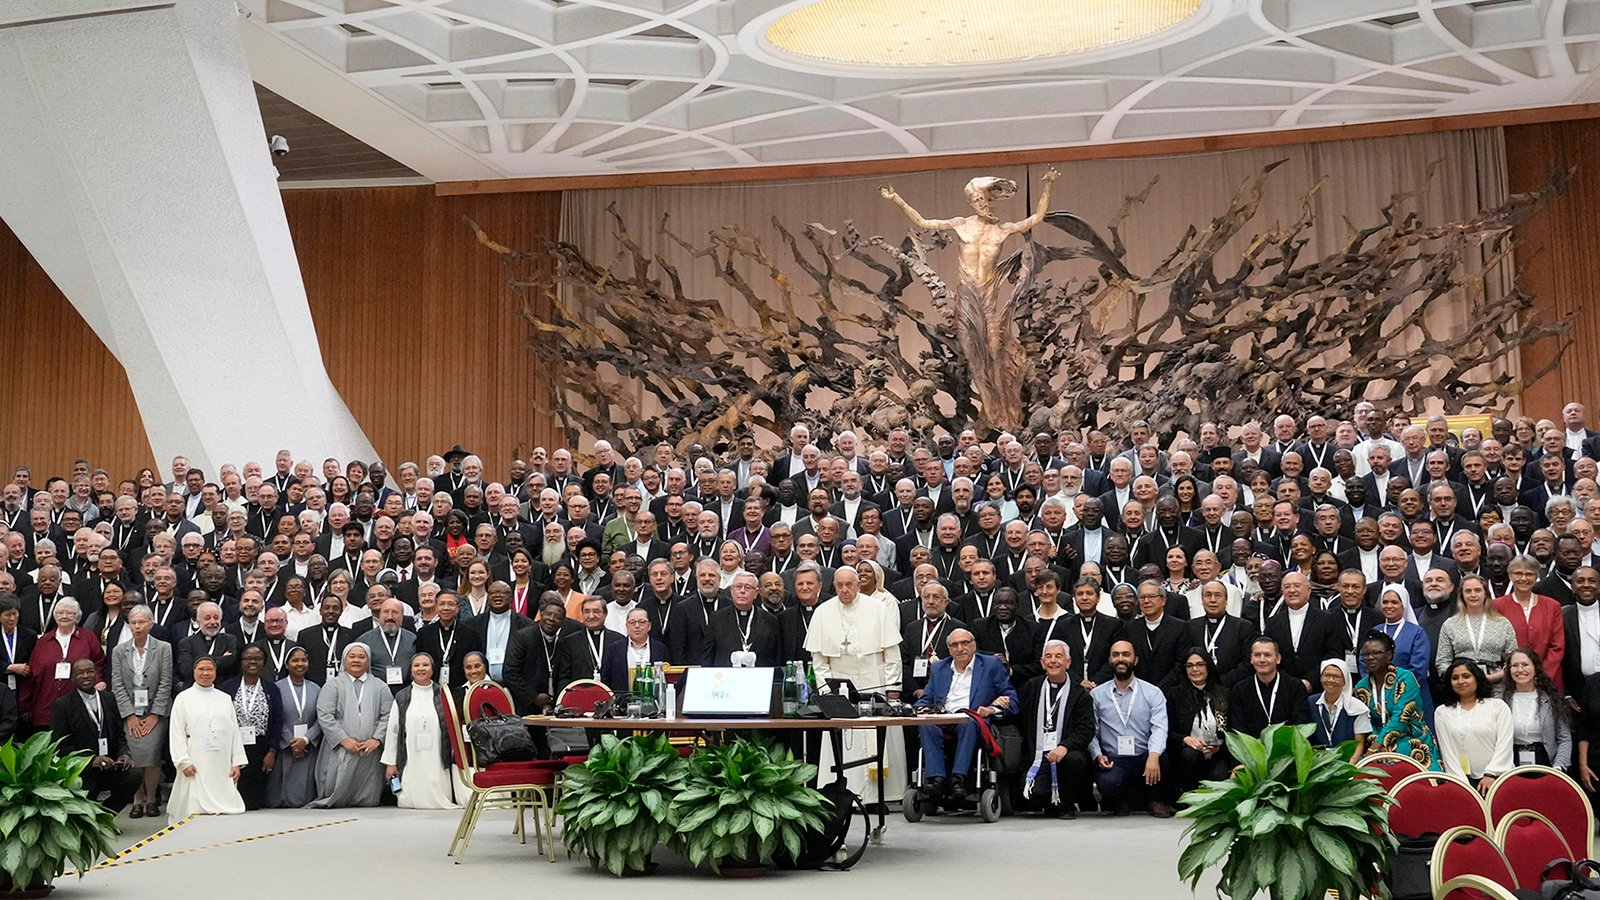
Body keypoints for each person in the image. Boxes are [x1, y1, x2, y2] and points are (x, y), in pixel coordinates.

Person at [805, 566, 906, 802]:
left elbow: (892, 654)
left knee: (878, 736)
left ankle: (883, 794)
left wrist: (893, 689)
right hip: (839, 685)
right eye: (839, 586)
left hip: (875, 681)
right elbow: (819, 660)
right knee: (844, 741)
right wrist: (827, 691)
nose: (844, 590)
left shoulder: (878, 609)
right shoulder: (823, 612)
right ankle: (846, 792)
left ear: (858, 585)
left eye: (849, 585)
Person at [912, 628, 1017, 802]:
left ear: (974, 645)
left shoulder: (991, 665)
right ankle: (936, 779)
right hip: (943, 718)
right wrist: (921, 709)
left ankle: (958, 779)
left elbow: (1012, 698)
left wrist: (992, 708)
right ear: (949, 649)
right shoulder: (939, 668)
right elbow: (925, 699)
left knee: (967, 723)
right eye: (954, 645)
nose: (960, 648)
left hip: (972, 719)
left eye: (965, 643)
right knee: (926, 725)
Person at [1087, 639, 1171, 817]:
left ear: (1135, 660)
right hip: (1113, 759)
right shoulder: (1097, 695)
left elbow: (1160, 728)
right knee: (1108, 782)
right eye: (1116, 655)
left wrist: (1154, 756)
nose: (1121, 659)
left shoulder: (1152, 692)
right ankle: (1118, 801)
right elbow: (1090, 731)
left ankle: (1155, 800)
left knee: (1162, 755)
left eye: (1126, 654)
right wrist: (1097, 754)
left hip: (1143, 756)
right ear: (1110, 660)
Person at [50, 658, 139, 815]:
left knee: (134, 775)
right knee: (85, 786)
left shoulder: (109, 699)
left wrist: (124, 753)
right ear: (72, 678)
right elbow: (60, 746)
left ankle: (105, 816)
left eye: (90, 671)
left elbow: (119, 734)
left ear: (96, 674)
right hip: (82, 769)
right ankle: (89, 819)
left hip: (110, 764)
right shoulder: (63, 705)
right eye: (80, 673)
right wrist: (91, 761)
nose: (86, 676)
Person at [309, 643, 394, 808]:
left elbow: (389, 714)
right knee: (336, 790)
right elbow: (325, 715)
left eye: (361, 657)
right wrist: (343, 739)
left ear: (368, 661)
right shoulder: (332, 685)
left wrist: (376, 740)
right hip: (341, 747)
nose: (356, 660)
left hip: (370, 750)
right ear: (344, 659)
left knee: (368, 798)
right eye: (352, 656)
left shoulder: (380, 686)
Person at [1017, 639, 1095, 818]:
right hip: (1038, 755)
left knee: (1074, 760)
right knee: (1033, 796)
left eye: (1059, 656)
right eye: (1048, 657)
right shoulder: (1030, 688)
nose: (1053, 661)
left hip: (1067, 754)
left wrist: (1065, 746)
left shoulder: (1080, 694)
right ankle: (1051, 801)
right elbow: (1017, 714)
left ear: (1068, 663)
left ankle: (1066, 804)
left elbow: (1086, 728)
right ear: (1042, 663)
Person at [108, 603, 172, 818]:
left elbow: (165, 682)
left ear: (151, 624)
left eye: (142, 622)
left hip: (156, 712)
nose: (137, 626)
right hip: (130, 713)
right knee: (133, 756)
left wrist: (155, 714)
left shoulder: (163, 648)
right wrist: (129, 715)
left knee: (152, 756)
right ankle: (137, 799)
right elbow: (116, 683)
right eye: (133, 622)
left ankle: (152, 798)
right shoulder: (119, 650)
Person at [166, 656, 247, 822]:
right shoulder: (183, 698)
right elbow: (176, 732)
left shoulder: (225, 698)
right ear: (194, 671)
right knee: (195, 802)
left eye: (210, 669)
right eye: (201, 669)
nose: (205, 673)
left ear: (215, 672)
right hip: (195, 757)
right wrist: (183, 761)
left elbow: (234, 731)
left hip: (221, 757)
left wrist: (236, 762)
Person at [381, 652, 459, 810]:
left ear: (432, 669)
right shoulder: (402, 697)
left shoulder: (444, 694)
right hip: (411, 753)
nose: (421, 669)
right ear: (411, 671)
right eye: (417, 665)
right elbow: (393, 731)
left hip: (437, 752)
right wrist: (390, 763)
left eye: (425, 665)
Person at [1354, 632, 1440, 769]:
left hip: (1411, 741)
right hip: (1378, 745)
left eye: (1376, 653)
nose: (1370, 657)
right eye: (1366, 654)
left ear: (1389, 655)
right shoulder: (1361, 687)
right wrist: (1377, 745)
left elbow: (1401, 718)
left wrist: (1375, 748)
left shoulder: (1405, 679)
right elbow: (1366, 723)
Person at [24, 598, 104, 731]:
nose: (64, 616)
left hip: (80, 706)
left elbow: (99, 663)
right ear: (55, 616)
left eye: (70, 613)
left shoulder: (88, 638)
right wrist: (25, 703)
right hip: (46, 707)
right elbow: (32, 672)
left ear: (77, 616)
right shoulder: (43, 641)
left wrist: (98, 681)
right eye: (60, 612)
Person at [1435, 659, 1515, 793]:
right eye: (1455, 678)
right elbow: (1447, 751)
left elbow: (1504, 744)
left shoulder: (1498, 706)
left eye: (1466, 676)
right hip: (1462, 782)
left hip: (1498, 778)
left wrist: (1491, 774)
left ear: (1477, 679)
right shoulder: (1442, 712)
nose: (1461, 681)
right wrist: (1463, 786)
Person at [221, 644, 283, 810]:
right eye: (248, 658)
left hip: (261, 747)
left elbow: (278, 720)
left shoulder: (271, 688)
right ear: (241, 662)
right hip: (234, 746)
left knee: (254, 803)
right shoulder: (228, 687)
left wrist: (272, 751)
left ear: (264, 662)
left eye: (257, 658)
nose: (253, 662)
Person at [1165, 649, 1231, 801]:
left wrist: (1218, 745)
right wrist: (1185, 739)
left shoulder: (1224, 694)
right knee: (1190, 756)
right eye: (1190, 665)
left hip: (1216, 753)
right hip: (1186, 755)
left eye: (1200, 664)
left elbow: (1230, 731)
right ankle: (1186, 797)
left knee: (1219, 775)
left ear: (1208, 666)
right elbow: (1167, 731)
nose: (1195, 669)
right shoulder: (1175, 695)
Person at [1494, 555, 1567, 690]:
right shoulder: (1497, 606)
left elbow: (1557, 646)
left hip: (1547, 680)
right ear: (1510, 576)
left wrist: (1541, 675)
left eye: (1529, 574)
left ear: (1537, 577)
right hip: (1510, 681)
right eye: (1518, 573)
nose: (1523, 578)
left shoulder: (1552, 606)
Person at [1435, 574, 1517, 684]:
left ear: (1485, 594)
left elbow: (1514, 659)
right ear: (1462, 595)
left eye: (1478, 590)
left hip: (1496, 685)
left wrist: (1498, 676)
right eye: (1468, 591)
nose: (1473, 595)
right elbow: (1442, 661)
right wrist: (1457, 678)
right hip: (1462, 686)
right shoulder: (1450, 624)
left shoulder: (1503, 623)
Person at [267, 646, 322, 808]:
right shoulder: (276, 687)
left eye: (303, 660)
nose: (300, 664)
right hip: (285, 744)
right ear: (286, 664)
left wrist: (305, 739)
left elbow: (321, 719)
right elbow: (276, 718)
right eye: (295, 660)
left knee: (304, 786)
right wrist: (292, 741)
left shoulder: (316, 688)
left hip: (308, 745)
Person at [1499, 647, 1571, 769]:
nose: (1520, 670)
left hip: (1547, 762)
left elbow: (1564, 739)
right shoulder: (1501, 701)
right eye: (1515, 665)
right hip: (1511, 763)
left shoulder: (1551, 699)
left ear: (1535, 668)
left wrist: (1559, 767)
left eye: (1525, 665)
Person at [1228, 637, 1311, 736]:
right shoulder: (1240, 689)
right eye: (1257, 655)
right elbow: (1238, 728)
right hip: (1251, 749)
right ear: (1251, 659)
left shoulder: (1295, 687)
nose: (1262, 660)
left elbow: (1300, 724)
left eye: (1267, 655)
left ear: (1278, 658)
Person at [1308, 658, 1371, 762]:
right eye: (1327, 675)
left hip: (1346, 762)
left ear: (1345, 681)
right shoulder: (1310, 702)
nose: (1330, 680)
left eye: (1336, 676)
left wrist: (1349, 768)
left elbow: (1359, 744)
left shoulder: (1357, 707)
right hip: (1316, 763)